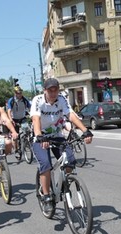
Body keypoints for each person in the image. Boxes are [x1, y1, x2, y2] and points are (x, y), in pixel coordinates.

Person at [30, 78, 93, 210]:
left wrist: (85, 131)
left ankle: (64, 185)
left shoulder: (61, 99)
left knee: (70, 161)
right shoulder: (38, 100)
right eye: (50, 90)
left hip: (57, 136)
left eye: (55, 90)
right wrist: (39, 136)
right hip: (40, 137)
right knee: (46, 164)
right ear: (45, 90)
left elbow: (70, 115)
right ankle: (46, 195)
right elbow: (36, 119)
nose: (53, 93)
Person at [7, 85, 31, 157]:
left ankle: (27, 142)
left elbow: (30, 108)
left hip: (23, 118)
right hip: (14, 119)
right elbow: (9, 111)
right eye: (18, 93)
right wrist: (11, 120)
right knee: (15, 136)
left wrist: (32, 116)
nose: (19, 94)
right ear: (15, 93)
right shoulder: (11, 100)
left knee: (27, 130)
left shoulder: (24, 100)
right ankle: (16, 149)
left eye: (20, 93)